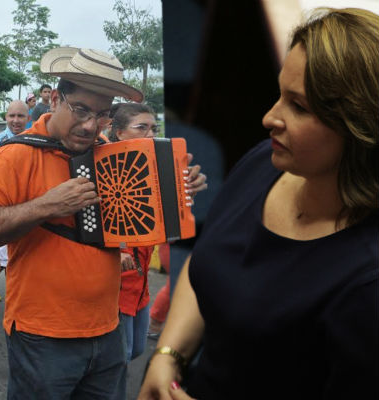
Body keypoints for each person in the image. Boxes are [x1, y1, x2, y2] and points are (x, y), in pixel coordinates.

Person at [138, 8, 378, 399]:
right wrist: (168, 355)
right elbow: (211, 259)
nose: (269, 118)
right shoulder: (264, 162)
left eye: (298, 107)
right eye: (280, 95)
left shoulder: (366, 284)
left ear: (359, 128)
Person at [0, 47, 144, 399]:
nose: (91, 125)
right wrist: (46, 205)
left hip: (108, 328)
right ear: (57, 98)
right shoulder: (15, 155)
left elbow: (137, 218)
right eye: (81, 110)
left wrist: (178, 190)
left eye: (102, 115)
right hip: (44, 337)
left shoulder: (106, 152)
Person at [107, 103, 207, 362]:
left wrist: (187, 196)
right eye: (142, 128)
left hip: (140, 283)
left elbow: (168, 227)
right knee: (122, 356)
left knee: (137, 349)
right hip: (117, 285)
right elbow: (97, 218)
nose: (151, 135)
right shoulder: (105, 167)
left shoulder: (153, 167)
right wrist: (117, 250)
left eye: (153, 128)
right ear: (119, 133)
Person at [0, 100, 32, 302]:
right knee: (1, 260)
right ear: (6, 117)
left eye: (21, 116)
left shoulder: (35, 140)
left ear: (28, 118)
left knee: (19, 257)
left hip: (26, 207)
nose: (16, 120)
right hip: (2, 207)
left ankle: (16, 299)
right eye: (12, 116)